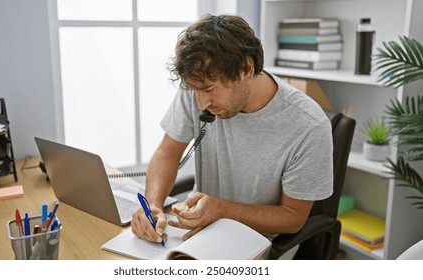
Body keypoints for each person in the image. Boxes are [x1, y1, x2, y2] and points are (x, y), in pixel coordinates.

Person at [131, 14, 333, 251]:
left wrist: (222, 210)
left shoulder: (308, 125)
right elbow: (167, 153)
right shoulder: (199, 85)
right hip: (198, 231)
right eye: (195, 91)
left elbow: (293, 217)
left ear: (246, 69)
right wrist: (154, 205)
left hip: (260, 242)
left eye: (209, 90)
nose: (201, 104)